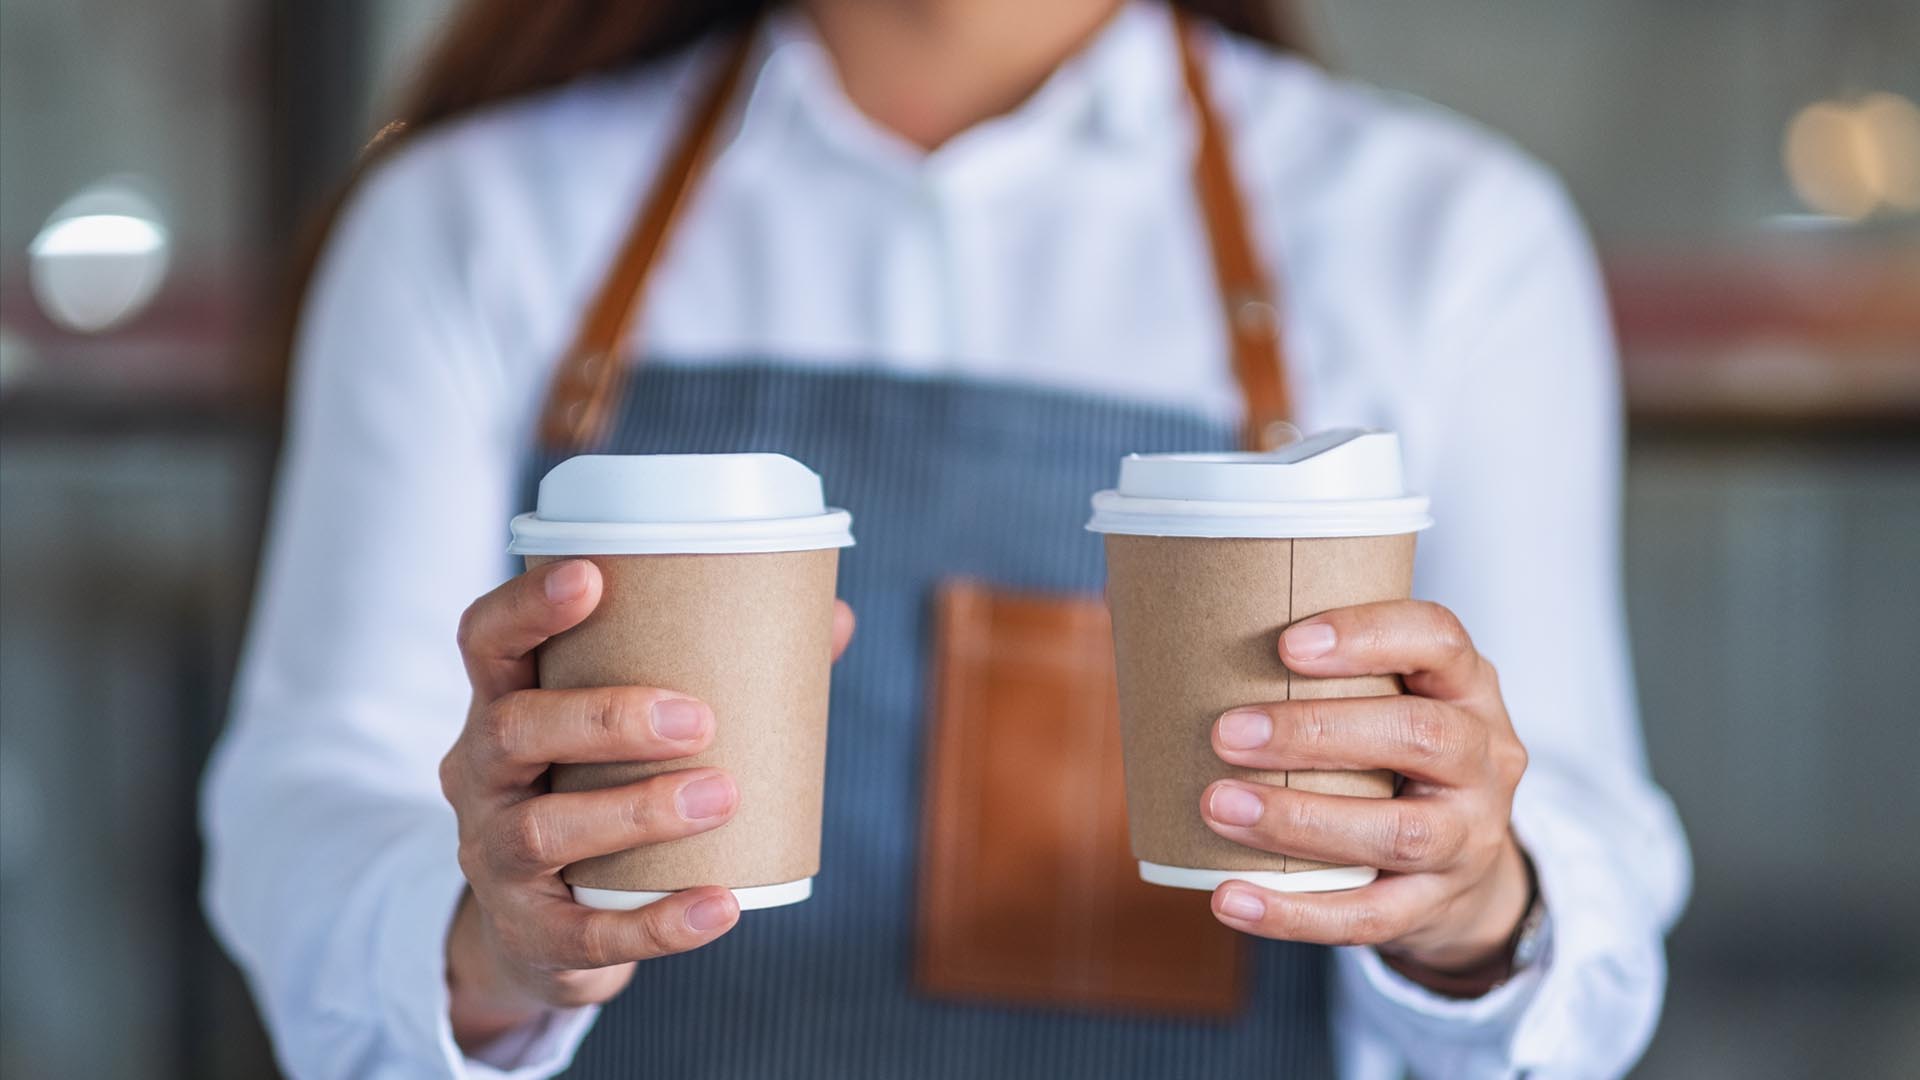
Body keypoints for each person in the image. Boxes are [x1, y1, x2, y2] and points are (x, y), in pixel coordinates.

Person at [201, 0, 1690, 1076]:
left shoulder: (1448, 237)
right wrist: (485, 942)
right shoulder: (470, 221)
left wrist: (1477, 898)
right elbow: (309, 794)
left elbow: (1592, 873)